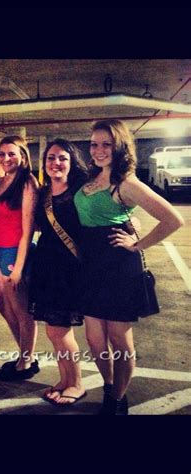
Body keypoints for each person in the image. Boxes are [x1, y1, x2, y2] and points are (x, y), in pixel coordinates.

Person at [74, 119, 184, 415]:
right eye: (94, 144)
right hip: (90, 266)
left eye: (106, 144)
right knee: (94, 340)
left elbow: (173, 219)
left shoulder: (127, 183)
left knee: (118, 338)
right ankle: (109, 385)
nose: (98, 150)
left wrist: (137, 244)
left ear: (120, 147)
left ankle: (117, 398)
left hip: (118, 267)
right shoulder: (91, 177)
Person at [28, 139, 88, 405]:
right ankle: (65, 380)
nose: (56, 163)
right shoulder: (43, 194)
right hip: (46, 266)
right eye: (51, 158)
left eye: (62, 158)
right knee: (53, 331)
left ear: (72, 162)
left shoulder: (81, 191)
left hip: (69, 269)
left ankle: (77, 384)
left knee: (61, 331)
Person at [0, 136, 40, 382]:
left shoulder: (27, 182)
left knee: (21, 310)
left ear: (22, 155)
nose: (6, 158)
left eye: (11, 154)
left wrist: (18, 267)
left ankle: (26, 361)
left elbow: (28, 229)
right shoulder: (1, 180)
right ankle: (25, 353)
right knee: (3, 306)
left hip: (14, 252)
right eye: (2, 154)